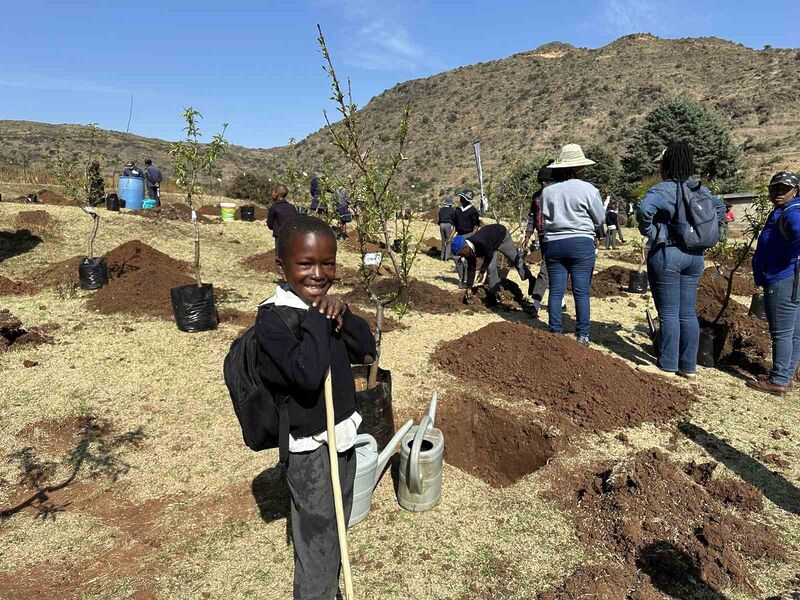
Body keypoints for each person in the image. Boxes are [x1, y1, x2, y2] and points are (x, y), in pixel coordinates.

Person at [255, 215, 376, 599]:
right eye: (305, 264)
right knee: (317, 534)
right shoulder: (273, 320)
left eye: (328, 263)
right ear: (281, 266)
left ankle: (331, 588)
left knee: (337, 522)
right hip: (309, 449)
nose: (318, 274)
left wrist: (344, 316)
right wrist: (316, 322)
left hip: (340, 437)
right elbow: (307, 376)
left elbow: (366, 349)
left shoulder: (326, 309)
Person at [635, 141, 726, 378]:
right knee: (687, 312)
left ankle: (667, 365)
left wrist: (651, 231)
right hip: (695, 257)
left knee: (669, 312)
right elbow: (720, 208)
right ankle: (688, 367)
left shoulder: (663, 189)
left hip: (668, 254)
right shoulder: (700, 189)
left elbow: (644, 210)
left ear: (665, 166)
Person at [541, 144, 605, 345]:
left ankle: (555, 332)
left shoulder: (547, 192)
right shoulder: (589, 189)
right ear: (578, 168)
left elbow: (545, 216)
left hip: (554, 244)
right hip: (581, 243)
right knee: (581, 291)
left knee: (556, 290)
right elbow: (600, 218)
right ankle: (583, 335)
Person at [748, 171, 800, 395]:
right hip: (791, 276)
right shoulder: (784, 211)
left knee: (781, 332)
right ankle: (785, 376)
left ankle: (778, 379)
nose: (778, 192)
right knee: (795, 331)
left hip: (782, 277)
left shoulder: (791, 213)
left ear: (795, 190)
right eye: (775, 188)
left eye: (784, 189)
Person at [451, 223, 533, 306]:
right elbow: (471, 268)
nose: (461, 256)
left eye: (460, 253)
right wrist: (469, 288)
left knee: (515, 259)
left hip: (501, 237)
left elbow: (489, 255)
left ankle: (531, 279)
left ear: (465, 247)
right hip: (490, 246)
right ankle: (496, 294)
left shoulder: (480, 241)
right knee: (490, 267)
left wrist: (482, 271)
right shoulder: (468, 251)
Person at [521, 163, 555, 317]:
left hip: (555, 235)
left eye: (546, 181)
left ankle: (536, 304)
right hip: (542, 235)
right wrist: (527, 235)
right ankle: (559, 302)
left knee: (546, 268)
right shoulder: (536, 196)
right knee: (550, 268)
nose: (543, 183)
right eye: (542, 181)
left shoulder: (557, 194)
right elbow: (532, 217)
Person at [451, 189, 481, 287]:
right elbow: (455, 226)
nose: (461, 199)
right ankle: (461, 278)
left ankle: (467, 281)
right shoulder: (457, 210)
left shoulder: (473, 211)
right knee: (457, 258)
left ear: (467, 200)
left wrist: (472, 239)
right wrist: (450, 238)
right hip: (459, 236)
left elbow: (476, 226)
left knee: (468, 259)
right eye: (461, 197)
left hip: (469, 235)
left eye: (463, 198)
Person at [267, 184, 299, 255]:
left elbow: (270, 224)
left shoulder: (274, 207)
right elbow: (296, 221)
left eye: (273, 192)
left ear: (277, 193)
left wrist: (275, 227)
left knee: (279, 255)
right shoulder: (292, 207)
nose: (272, 194)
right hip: (291, 236)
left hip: (279, 236)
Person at [438, 196, 455, 261]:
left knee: (443, 241)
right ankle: (447, 257)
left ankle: (442, 257)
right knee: (448, 241)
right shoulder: (452, 210)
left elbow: (439, 219)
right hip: (448, 225)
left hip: (441, 225)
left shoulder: (441, 210)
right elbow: (454, 219)